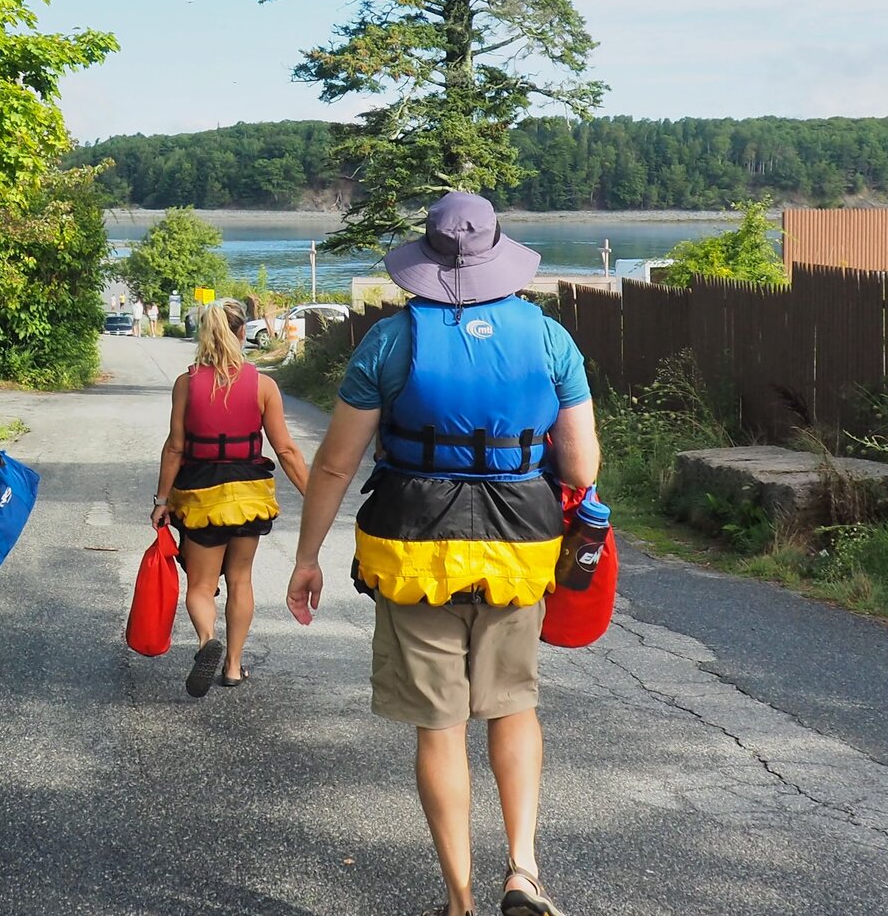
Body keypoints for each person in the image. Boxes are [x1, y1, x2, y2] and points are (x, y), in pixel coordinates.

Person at [285, 193, 601, 916]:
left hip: (413, 548)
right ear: (500, 255)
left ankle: (459, 901)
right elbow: (581, 470)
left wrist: (307, 558)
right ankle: (522, 871)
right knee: (513, 706)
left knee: (440, 723)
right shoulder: (551, 340)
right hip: (519, 547)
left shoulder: (390, 342)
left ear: (425, 261)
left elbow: (334, 465)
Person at [149, 299, 312, 697]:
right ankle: (234, 666)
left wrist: (161, 499)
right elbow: (286, 450)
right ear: (242, 333)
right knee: (240, 580)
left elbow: (175, 447)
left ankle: (208, 642)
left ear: (204, 333)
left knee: (202, 586)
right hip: (249, 495)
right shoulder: (264, 386)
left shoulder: (187, 384)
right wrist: (315, 496)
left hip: (202, 496)